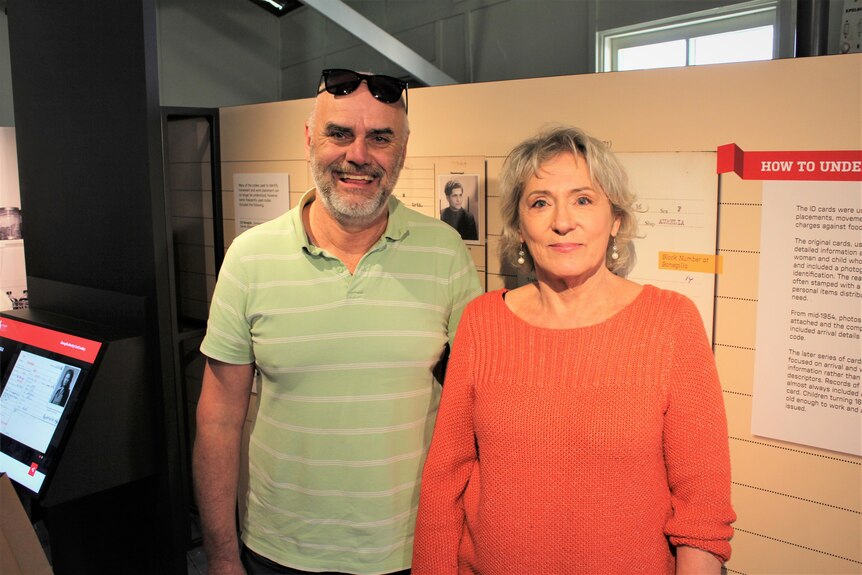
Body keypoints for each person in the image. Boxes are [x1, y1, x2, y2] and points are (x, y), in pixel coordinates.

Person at [194, 68, 482, 575]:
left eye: (380, 138)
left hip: (413, 549)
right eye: (340, 133)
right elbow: (218, 420)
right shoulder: (249, 257)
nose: (358, 155)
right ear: (309, 138)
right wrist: (220, 556)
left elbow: (475, 408)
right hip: (280, 551)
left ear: (404, 148)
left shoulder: (445, 251)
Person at [412, 126, 735, 574]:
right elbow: (445, 481)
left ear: (615, 219)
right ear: (520, 226)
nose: (562, 220)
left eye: (583, 199)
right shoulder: (482, 322)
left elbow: (702, 506)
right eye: (540, 202)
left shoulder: (671, 322)